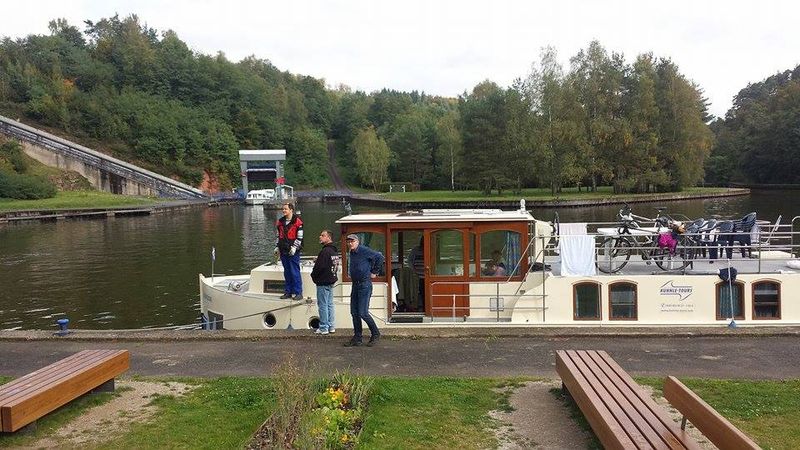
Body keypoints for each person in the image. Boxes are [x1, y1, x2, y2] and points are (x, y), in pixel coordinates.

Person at [344, 233, 385, 347]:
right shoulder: (352, 252)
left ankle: (375, 333)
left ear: (357, 242)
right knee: (354, 312)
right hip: (355, 285)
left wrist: (375, 272)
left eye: (352, 241)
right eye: (348, 241)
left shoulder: (363, 250)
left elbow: (379, 257)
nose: (350, 243)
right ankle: (357, 338)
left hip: (364, 284)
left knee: (363, 312)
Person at [311, 230, 339, 335]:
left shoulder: (325, 251)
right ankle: (331, 326)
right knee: (330, 304)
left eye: (323, 235)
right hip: (331, 281)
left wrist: (313, 276)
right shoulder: (334, 251)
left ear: (329, 238)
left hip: (323, 281)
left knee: (323, 305)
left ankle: (323, 327)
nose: (320, 237)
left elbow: (320, 267)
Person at [274, 203, 303, 300]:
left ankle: (298, 293)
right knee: (287, 272)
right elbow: (278, 236)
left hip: (293, 251)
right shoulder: (280, 222)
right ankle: (288, 292)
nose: (283, 210)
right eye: (283, 209)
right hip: (283, 250)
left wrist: (294, 247)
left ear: (291, 210)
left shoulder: (298, 222)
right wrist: (277, 247)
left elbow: (300, 238)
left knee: (295, 271)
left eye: (286, 209)